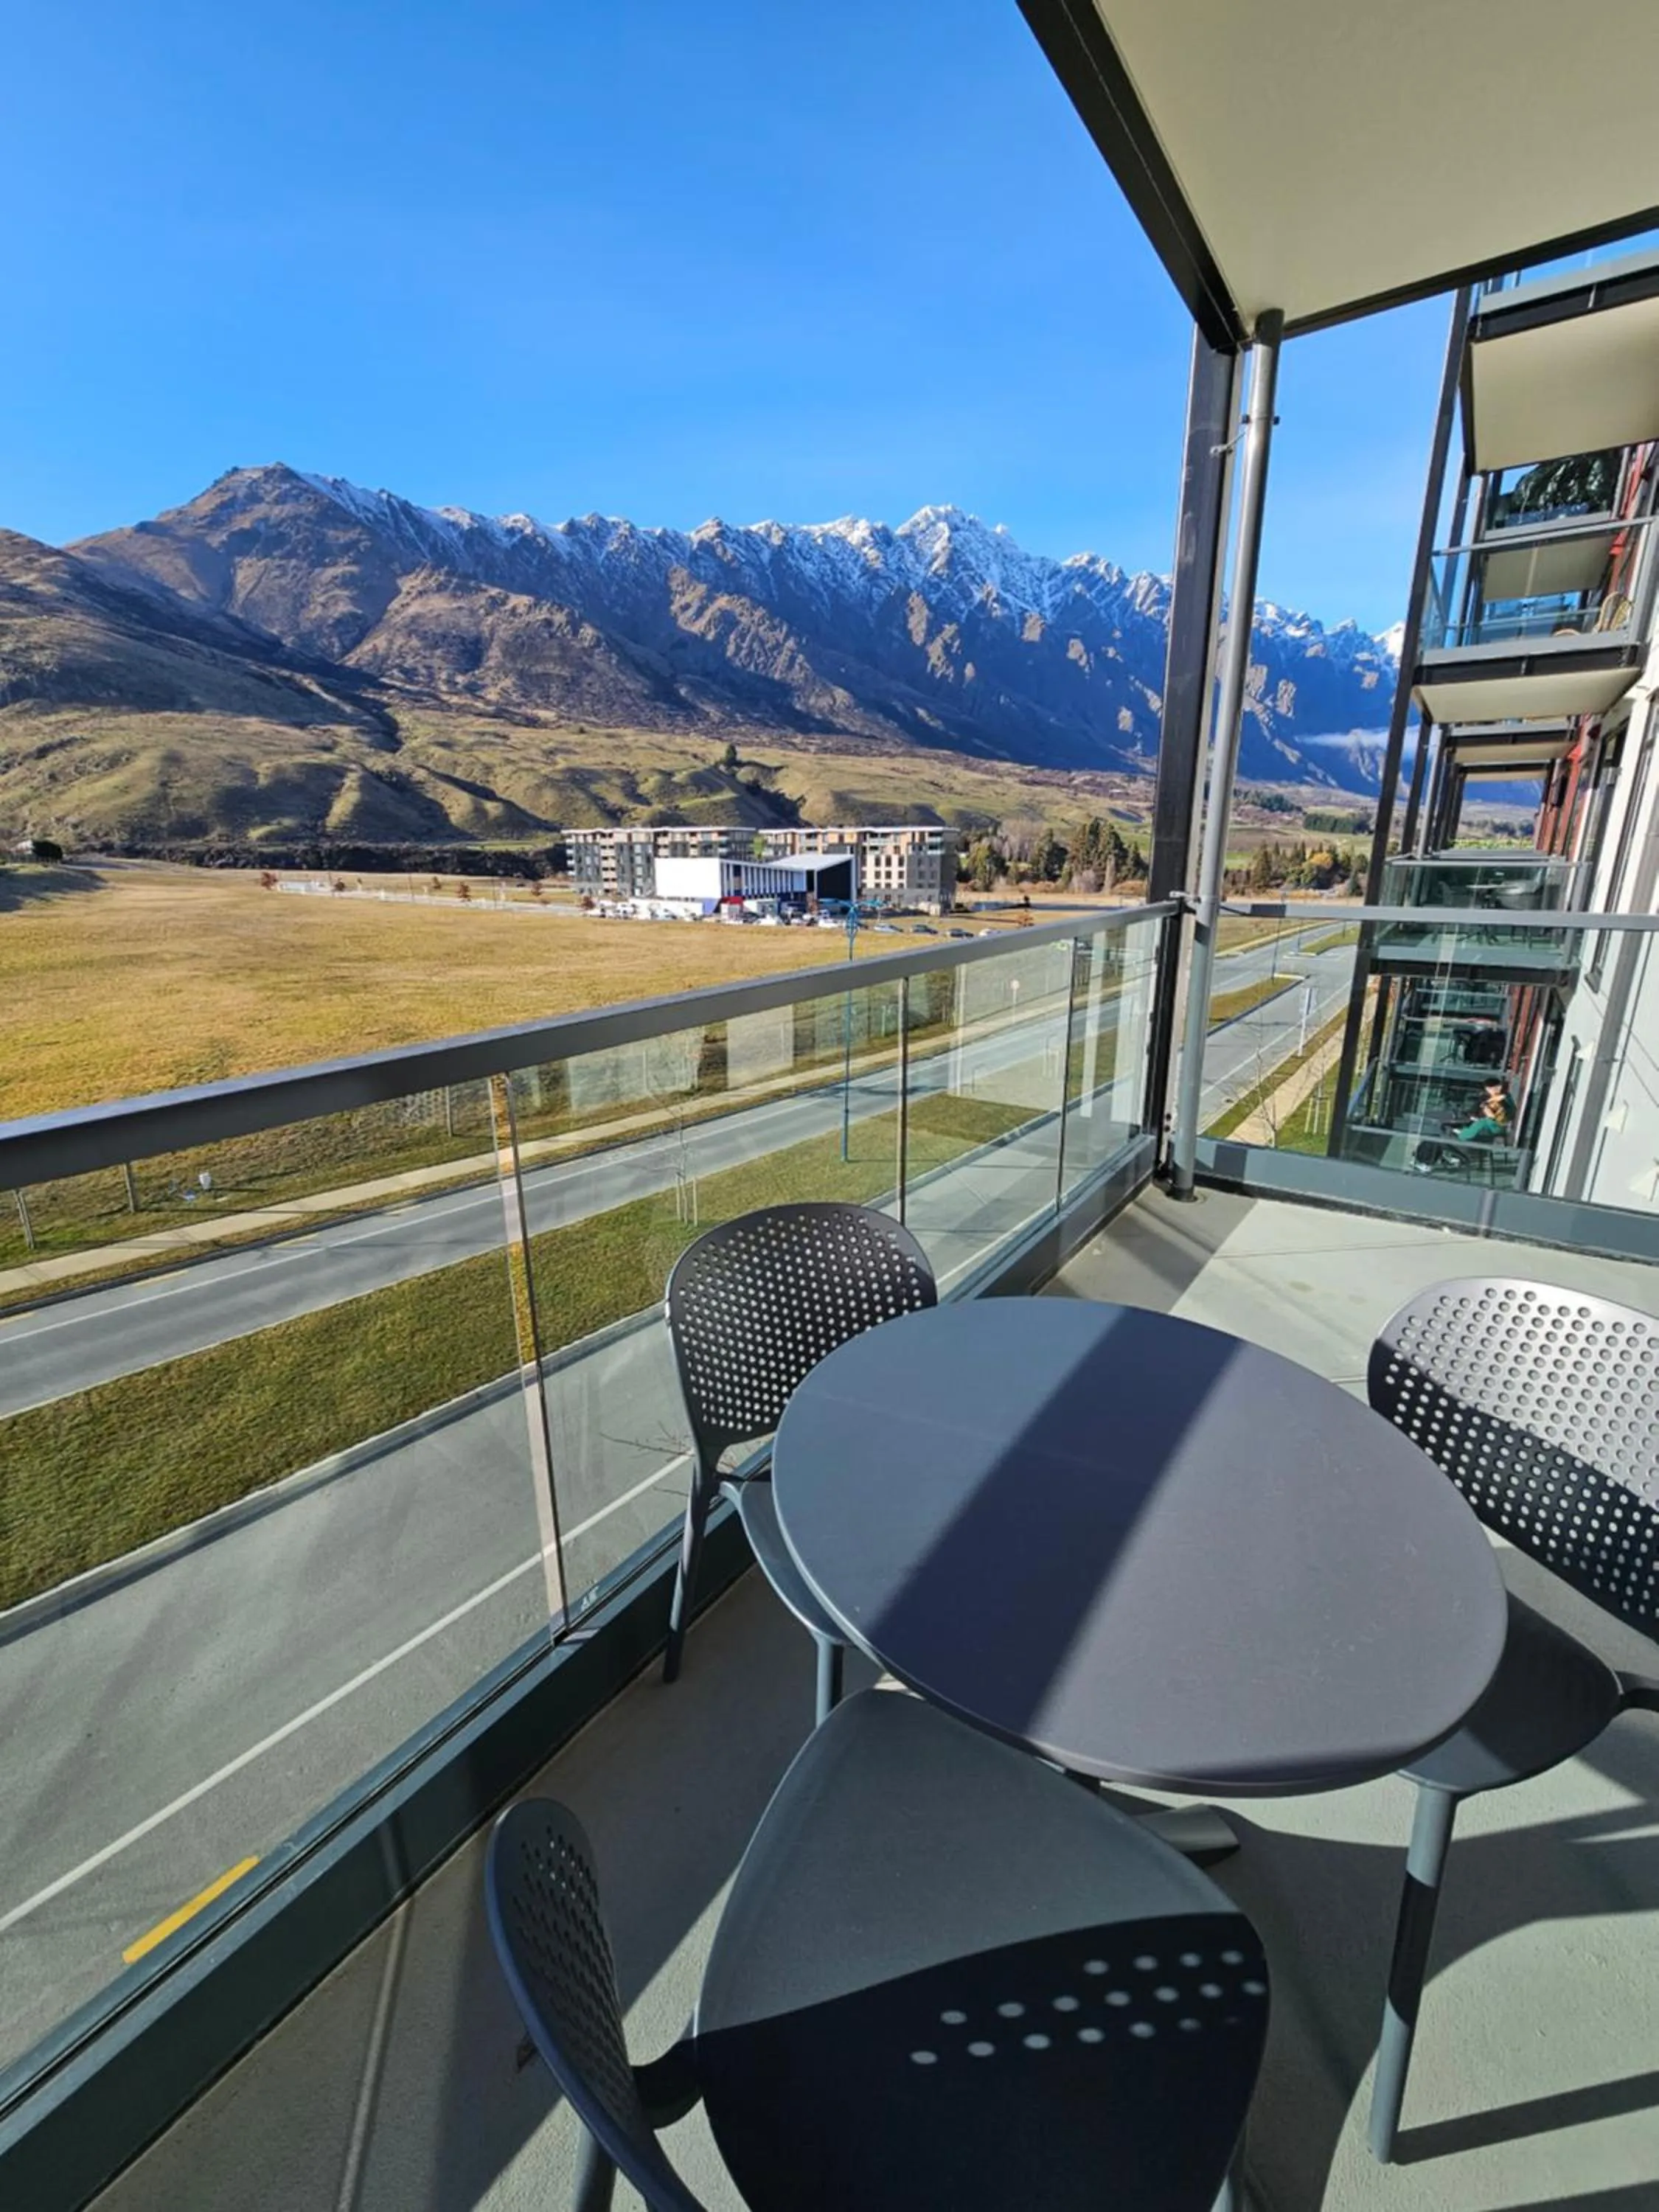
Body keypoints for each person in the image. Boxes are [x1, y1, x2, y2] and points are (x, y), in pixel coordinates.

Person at [1415, 1082, 1514, 1174]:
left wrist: (1455, 1131)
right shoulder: (1493, 1123)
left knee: (1436, 1139)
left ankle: (1426, 1162)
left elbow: (1465, 1136)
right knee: (1437, 1138)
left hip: (1469, 1148)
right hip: (1475, 1146)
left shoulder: (1482, 1123)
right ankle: (1427, 1160)